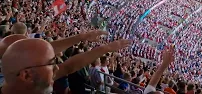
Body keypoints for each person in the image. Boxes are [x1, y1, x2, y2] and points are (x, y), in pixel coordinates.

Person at [0, 38, 131, 94]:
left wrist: (106, 48)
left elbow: (69, 66)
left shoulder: (33, 81)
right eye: (51, 63)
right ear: (26, 75)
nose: (57, 67)